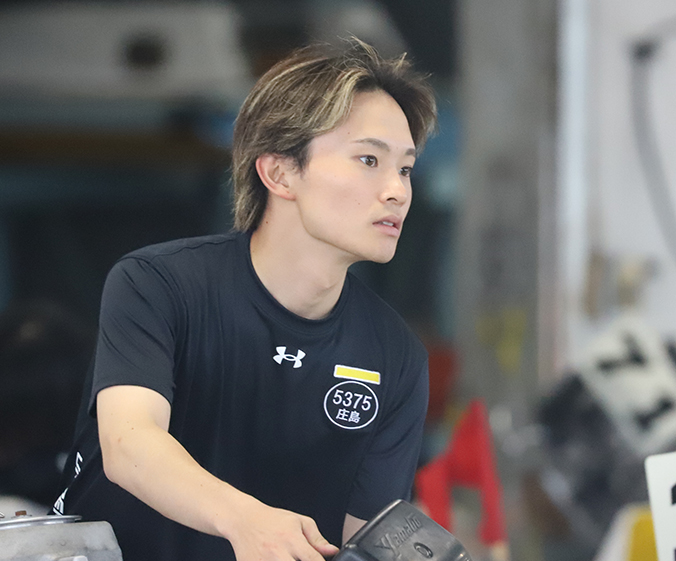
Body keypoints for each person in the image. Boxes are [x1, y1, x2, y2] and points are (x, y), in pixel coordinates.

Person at [53, 38, 437, 561]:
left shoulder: (396, 356)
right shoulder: (158, 285)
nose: (397, 190)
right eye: (369, 159)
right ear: (279, 172)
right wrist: (246, 521)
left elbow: (367, 541)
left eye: (406, 169)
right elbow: (129, 444)